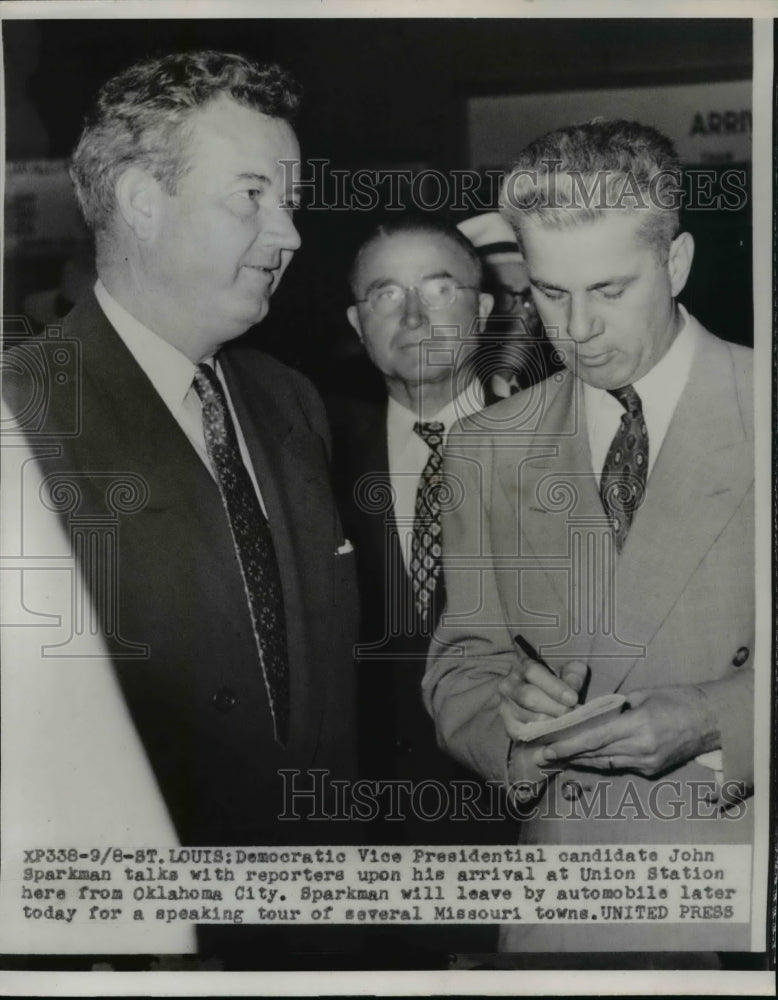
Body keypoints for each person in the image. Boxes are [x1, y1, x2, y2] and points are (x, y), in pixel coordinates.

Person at [2, 51, 358, 855]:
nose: (290, 234)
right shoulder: (21, 414)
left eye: (291, 201)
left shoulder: (290, 402)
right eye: (253, 197)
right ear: (141, 202)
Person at [424, 120, 754, 957]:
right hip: (565, 911)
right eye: (549, 292)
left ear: (676, 264)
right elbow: (463, 663)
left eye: (610, 290)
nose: (577, 330)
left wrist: (718, 717)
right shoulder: (485, 446)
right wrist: (511, 733)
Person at [329, 216, 501, 836]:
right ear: (358, 324)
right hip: (370, 836)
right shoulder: (313, 460)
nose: (413, 318)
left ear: (482, 310)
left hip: (521, 829)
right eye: (386, 294)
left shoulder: (557, 447)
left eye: (439, 290)